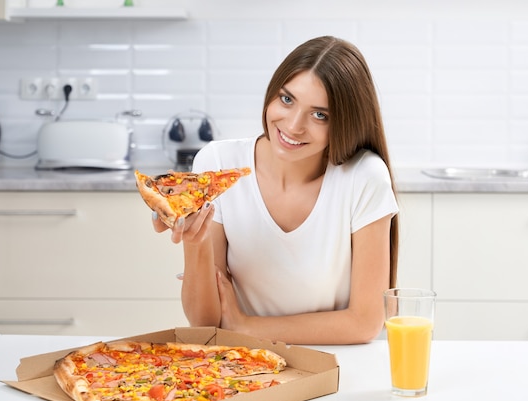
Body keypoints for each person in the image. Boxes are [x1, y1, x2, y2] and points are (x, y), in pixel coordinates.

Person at [152, 36, 399, 345]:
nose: (293, 125)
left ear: (345, 123)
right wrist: (194, 242)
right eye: (287, 99)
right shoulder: (217, 164)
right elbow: (205, 323)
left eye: (320, 114)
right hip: (241, 366)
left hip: (337, 363)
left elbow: (364, 323)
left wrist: (245, 327)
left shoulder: (363, 177)